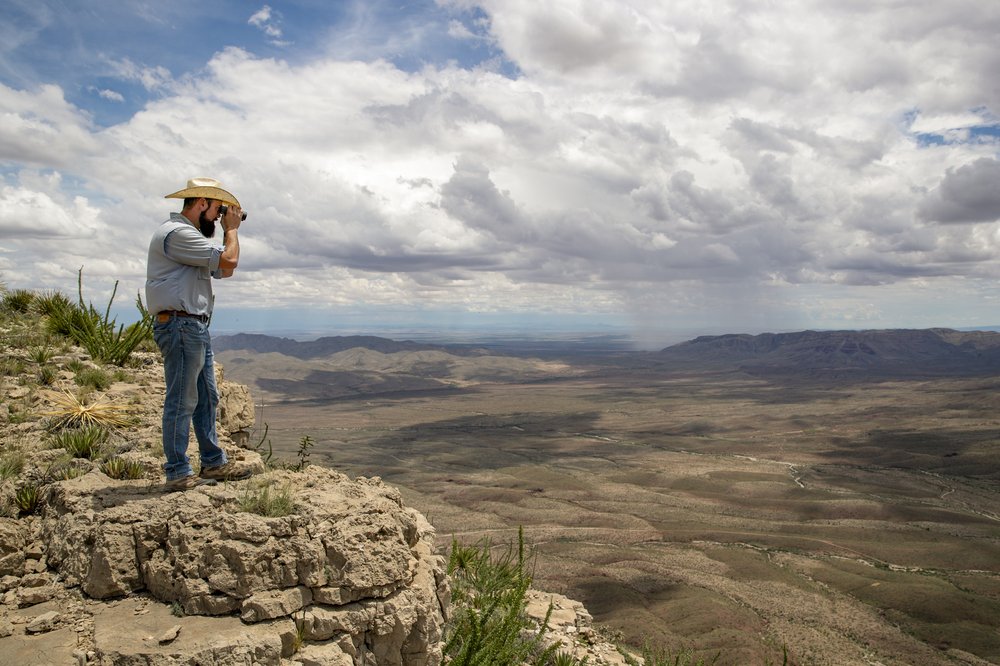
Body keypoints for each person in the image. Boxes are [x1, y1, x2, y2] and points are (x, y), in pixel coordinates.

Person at [145, 177, 252, 490]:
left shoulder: (191, 238)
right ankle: (178, 471)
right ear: (202, 203)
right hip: (179, 324)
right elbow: (230, 258)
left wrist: (226, 230)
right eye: (217, 209)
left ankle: (212, 463)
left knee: (207, 396)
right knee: (182, 399)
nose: (219, 216)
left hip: (193, 325)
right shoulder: (177, 234)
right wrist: (231, 230)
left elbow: (226, 269)